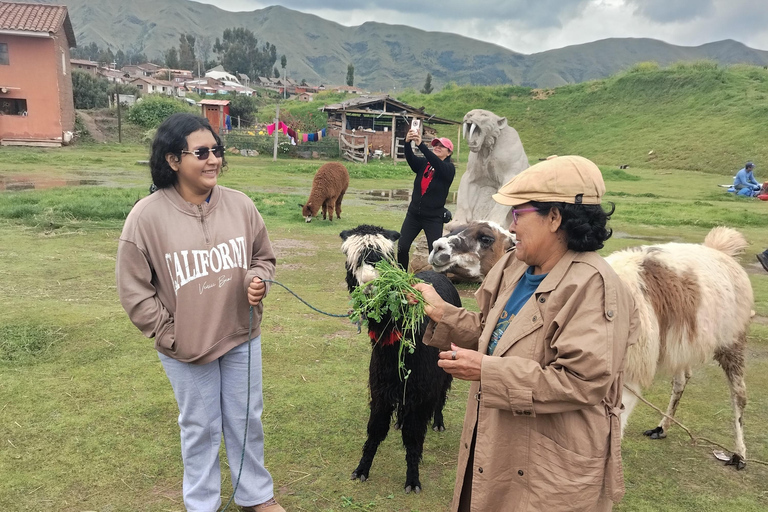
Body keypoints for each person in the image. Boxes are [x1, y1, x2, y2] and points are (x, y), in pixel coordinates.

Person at [413, 155, 639, 511]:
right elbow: (495, 333)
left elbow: (581, 381)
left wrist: (486, 371)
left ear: (554, 217)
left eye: (518, 214)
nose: (512, 227)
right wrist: (444, 314)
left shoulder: (594, 287)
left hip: (550, 466)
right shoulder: (513, 267)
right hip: (498, 441)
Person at [116, 113, 284, 512]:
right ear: (173, 160)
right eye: (202, 152)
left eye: (217, 151)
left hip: (240, 334)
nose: (213, 160)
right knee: (200, 428)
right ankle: (203, 504)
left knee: (246, 420)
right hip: (187, 347)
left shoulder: (240, 205)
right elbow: (134, 290)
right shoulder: (146, 217)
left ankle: (255, 495)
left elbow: (263, 257)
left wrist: (258, 279)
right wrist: (170, 334)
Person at [397, 128, 456, 270]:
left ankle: (439, 282)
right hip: (414, 215)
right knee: (402, 247)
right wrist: (407, 142)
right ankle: (401, 277)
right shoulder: (425, 164)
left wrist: (421, 145)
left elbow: (438, 164)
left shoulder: (448, 168)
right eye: (436, 145)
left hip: (433, 217)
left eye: (442, 146)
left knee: (435, 253)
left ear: (449, 152)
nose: (437, 147)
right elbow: (411, 159)